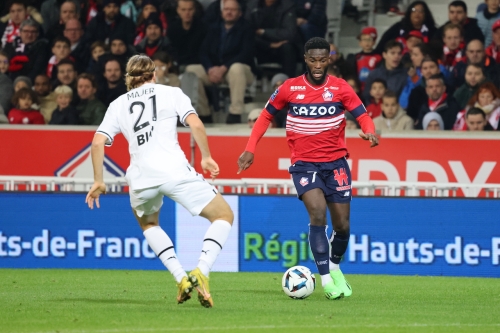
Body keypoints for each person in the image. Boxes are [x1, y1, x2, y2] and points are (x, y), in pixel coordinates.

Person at [85, 54, 234, 308]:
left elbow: (98, 142)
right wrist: (206, 157)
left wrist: (98, 181)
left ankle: (180, 278)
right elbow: (195, 124)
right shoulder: (171, 93)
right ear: (154, 74)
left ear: (128, 79)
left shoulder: (117, 104)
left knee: (149, 224)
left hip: (141, 177)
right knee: (223, 215)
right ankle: (201, 271)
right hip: (174, 170)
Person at [237, 37, 378, 300]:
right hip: (304, 164)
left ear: (329, 59)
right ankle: (326, 281)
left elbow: (361, 114)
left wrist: (369, 131)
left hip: (336, 164)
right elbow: (266, 115)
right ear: (305, 59)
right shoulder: (289, 88)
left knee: (343, 226)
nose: (317, 64)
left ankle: (334, 267)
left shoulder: (340, 88)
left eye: (322, 60)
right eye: (312, 59)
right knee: (317, 214)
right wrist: (250, 147)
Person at [362, 40, 407, 105]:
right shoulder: (374, 74)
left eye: (399, 53)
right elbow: (367, 96)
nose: (396, 56)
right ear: (384, 55)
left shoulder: (405, 76)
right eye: (392, 53)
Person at [346, 27, 382, 92]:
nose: (367, 42)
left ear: (374, 42)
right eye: (364, 40)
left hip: (373, 89)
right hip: (359, 89)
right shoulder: (356, 57)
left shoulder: (378, 57)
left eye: (369, 40)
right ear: (360, 43)